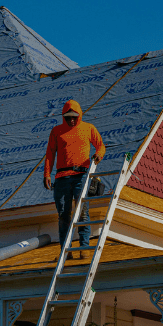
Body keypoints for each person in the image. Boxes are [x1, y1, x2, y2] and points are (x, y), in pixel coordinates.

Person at [43, 99, 105, 258]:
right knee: (64, 214)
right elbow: (50, 153)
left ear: (79, 116)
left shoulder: (88, 128)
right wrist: (47, 174)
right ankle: (65, 251)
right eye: (68, 117)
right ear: (64, 117)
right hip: (62, 177)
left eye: (74, 117)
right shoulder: (57, 131)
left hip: (81, 175)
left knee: (82, 212)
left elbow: (101, 146)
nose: (71, 120)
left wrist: (98, 156)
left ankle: (84, 247)